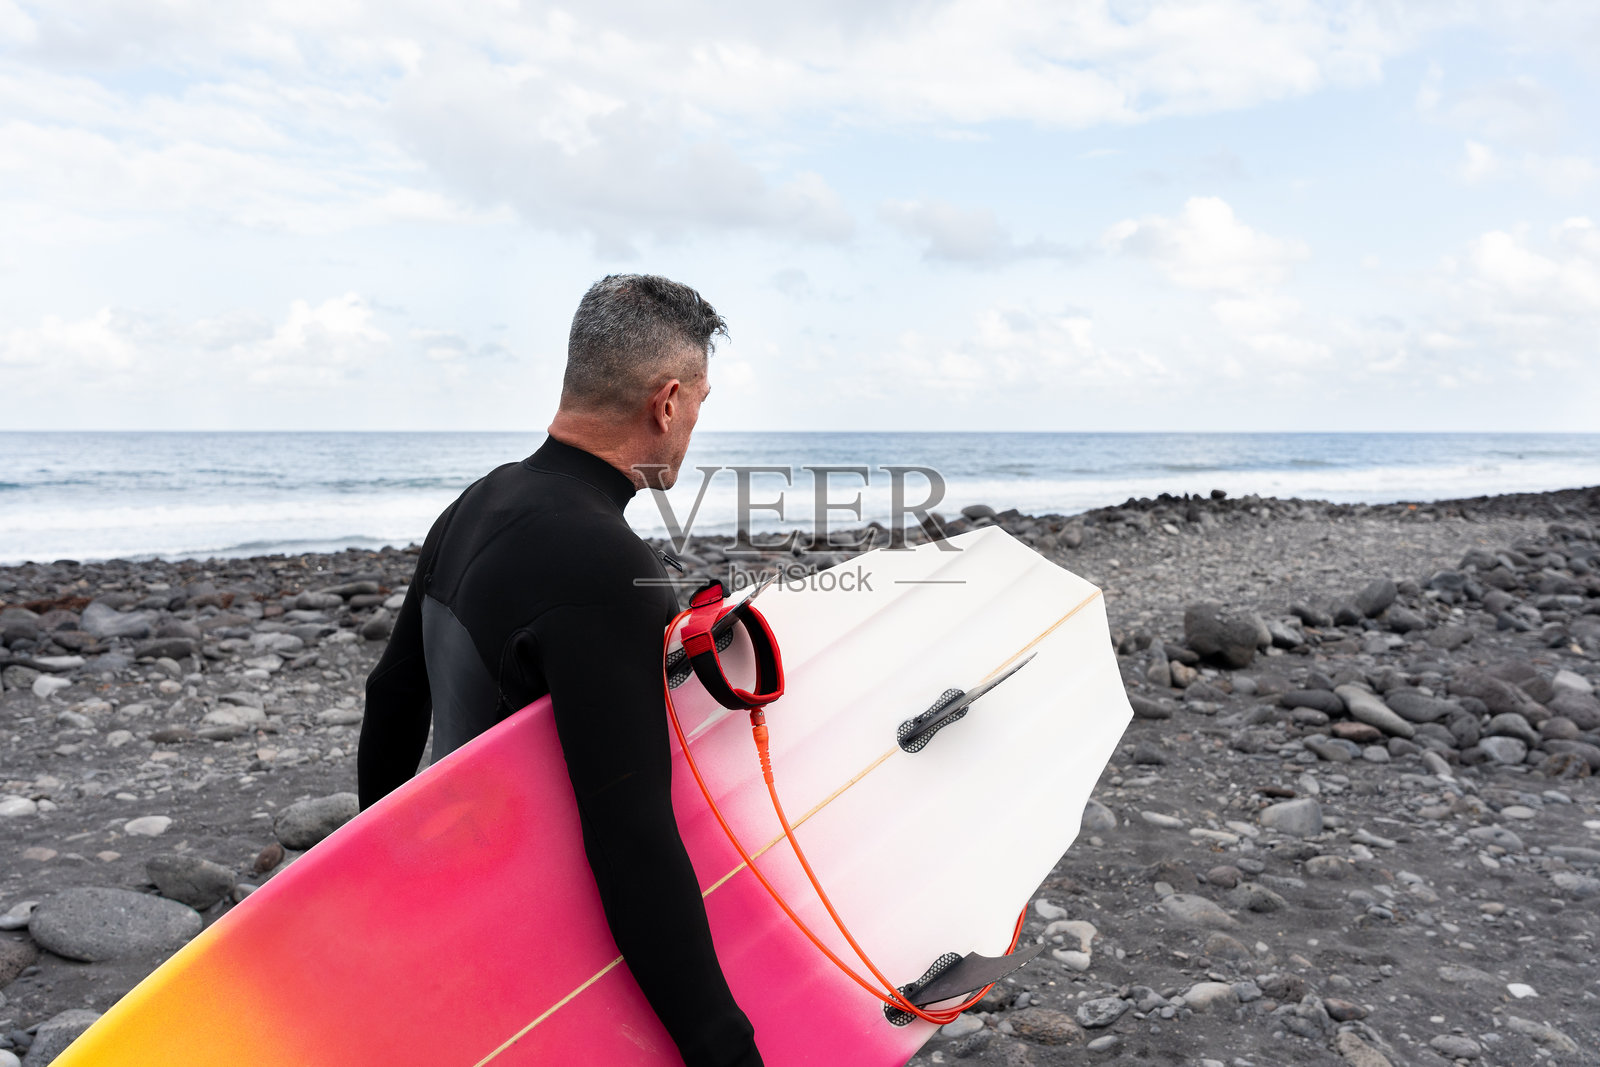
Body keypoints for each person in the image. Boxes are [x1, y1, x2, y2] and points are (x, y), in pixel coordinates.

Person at [357, 274, 761, 1066]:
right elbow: (630, 836)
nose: (694, 426)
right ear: (668, 401)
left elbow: (393, 694)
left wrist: (393, 876)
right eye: (702, 404)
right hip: (539, 931)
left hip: (464, 890)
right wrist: (724, 1044)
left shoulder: (481, 499)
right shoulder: (605, 566)